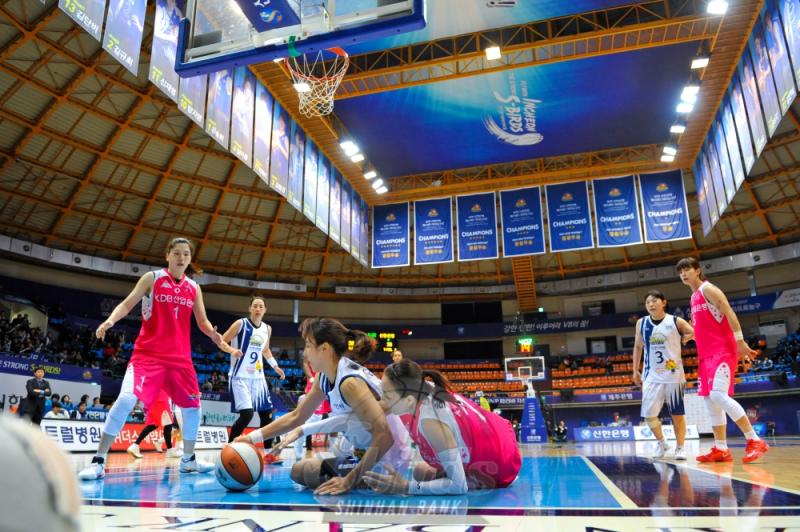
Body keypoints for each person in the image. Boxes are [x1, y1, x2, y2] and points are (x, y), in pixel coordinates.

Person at [78, 237, 227, 480]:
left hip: (180, 359)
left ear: (190, 259)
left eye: (186, 254)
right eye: (176, 253)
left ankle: (188, 460)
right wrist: (110, 321)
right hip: (148, 356)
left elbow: (202, 321)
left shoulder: (193, 288)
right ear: (167, 255)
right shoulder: (152, 278)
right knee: (126, 400)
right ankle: (98, 461)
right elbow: (127, 304)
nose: (181, 258)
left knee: (193, 407)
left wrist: (213, 334)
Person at [238, 317, 410, 495]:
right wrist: (250, 438)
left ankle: (373, 480)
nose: (305, 354)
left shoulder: (350, 383)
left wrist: (348, 481)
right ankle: (360, 475)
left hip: (390, 462)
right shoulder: (324, 377)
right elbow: (297, 416)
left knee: (305, 471)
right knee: (299, 471)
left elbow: (384, 436)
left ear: (325, 348)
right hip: (366, 453)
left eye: (308, 346)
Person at [363, 359, 521, 495]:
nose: (382, 400)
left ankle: (473, 478)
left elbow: (459, 487)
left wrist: (405, 486)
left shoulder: (431, 422)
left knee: (436, 479)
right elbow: (381, 406)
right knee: (420, 472)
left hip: (501, 463)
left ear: (409, 400)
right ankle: (461, 472)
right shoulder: (418, 388)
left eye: (386, 395)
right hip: (495, 435)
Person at [677, 257, 769, 463]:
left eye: (687, 269)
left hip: (722, 351)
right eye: (680, 271)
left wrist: (740, 340)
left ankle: (755, 440)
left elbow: (728, 311)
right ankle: (721, 448)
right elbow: (707, 325)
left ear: (697, 270)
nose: (683, 274)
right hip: (706, 355)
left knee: (718, 395)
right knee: (710, 401)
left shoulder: (708, 289)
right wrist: (692, 335)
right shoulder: (693, 297)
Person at [632, 289, 694, 460]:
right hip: (651, 376)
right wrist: (635, 370)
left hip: (674, 375)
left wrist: (688, 337)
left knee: (677, 414)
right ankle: (662, 443)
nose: (651, 304)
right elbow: (638, 347)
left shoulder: (675, 321)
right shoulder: (641, 323)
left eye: (654, 301)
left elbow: (693, 332)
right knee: (649, 415)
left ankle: (680, 447)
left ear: (664, 302)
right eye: (648, 302)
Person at [219, 296, 286, 447]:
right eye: (255, 306)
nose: (258, 309)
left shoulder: (267, 329)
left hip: (258, 378)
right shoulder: (240, 324)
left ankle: (268, 452)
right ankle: (230, 447)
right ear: (250, 308)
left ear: (265, 310)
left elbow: (266, 350)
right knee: (247, 414)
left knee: (267, 415)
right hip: (239, 377)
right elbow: (221, 341)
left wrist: (275, 366)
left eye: (261, 306)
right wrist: (232, 350)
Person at [127, 391, 182, 459]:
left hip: (153, 398)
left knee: (154, 424)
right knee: (168, 423)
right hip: (161, 397)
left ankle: (135, 445)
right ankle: (169, 450)